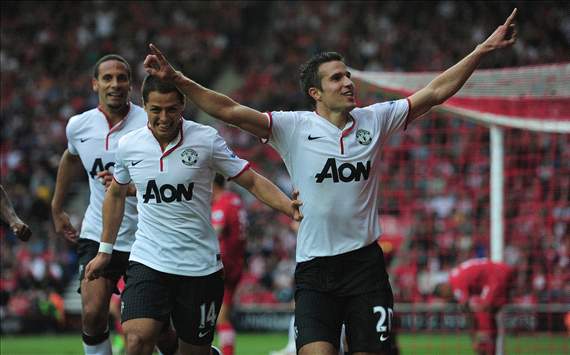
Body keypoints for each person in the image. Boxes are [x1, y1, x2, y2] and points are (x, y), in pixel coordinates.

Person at [143, 9, 518, 355]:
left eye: (348, 74)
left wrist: (482, 49)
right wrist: (177, 79)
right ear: (315, 93)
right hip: (315, 270)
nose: (348, 82)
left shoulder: (376, 119)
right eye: (337, 77)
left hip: (365, 268)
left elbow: (435, 92)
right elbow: (228, 110)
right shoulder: (292, 127)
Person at [84, 75, 303, 355]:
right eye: (156, 110)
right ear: (144, 106)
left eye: (171, 109)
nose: (164, 117)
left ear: (183, 105)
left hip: (199, 267)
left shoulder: (205, 140)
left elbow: (250, 180)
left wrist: (288, 207)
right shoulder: (129, 145)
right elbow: (116, 192)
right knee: (137, 340)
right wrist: (105, 250)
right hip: (148, 259)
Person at [50, 54, 176, 355]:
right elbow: (70, 158)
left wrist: (131, 187)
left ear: (131, 84)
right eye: (107, 78)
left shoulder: (150, 121)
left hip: (145, 239)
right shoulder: (78, 126)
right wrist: (56, 208)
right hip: (98, 233)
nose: (115, 84)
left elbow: (170, 170)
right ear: (95, 84)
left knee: (158, 333)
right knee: (92, 314)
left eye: (122, 78)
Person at [435, 258, 515, 355]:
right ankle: (491, 347)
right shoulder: (455, 275)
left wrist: (473, 339)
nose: (450, 298)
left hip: (496, 277)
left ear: (444, 288)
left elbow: (467, 311)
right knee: (489, 314)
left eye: (446, 296)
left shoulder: (456, 284)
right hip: (501, 271)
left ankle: (484, 347)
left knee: (482, 312)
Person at [211, 174, 246, 355]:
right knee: (223, 316)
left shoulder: (222, 203)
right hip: (236, 262)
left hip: (222, 264)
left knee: (210, 316)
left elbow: (216, 232)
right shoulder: (235, 200)